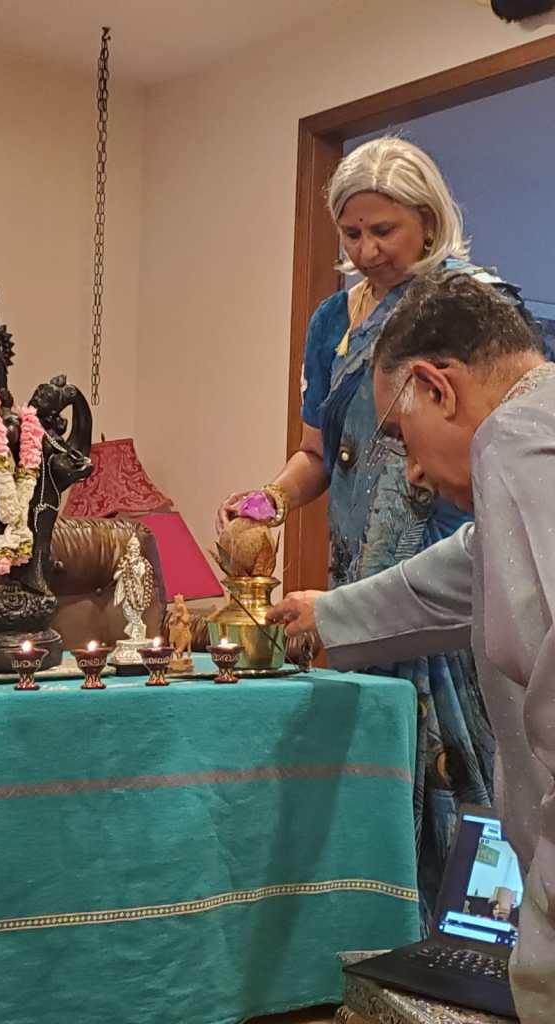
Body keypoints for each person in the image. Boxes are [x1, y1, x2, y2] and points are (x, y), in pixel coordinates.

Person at [217, 136, 524, 923]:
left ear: (429, 221)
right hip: (358, 572)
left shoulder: (463, 310)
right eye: (351, 233)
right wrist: (267, 503)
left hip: (441, 570)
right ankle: (370, 928)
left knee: (461, 778)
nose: (366, 250)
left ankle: (455, 941)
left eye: (383, 230)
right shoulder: (333, 320)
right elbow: (318, 453)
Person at [267, 272, 555, 1022]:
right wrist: (328, 616)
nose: (415, 472)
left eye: (399, 436)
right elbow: (464, 571)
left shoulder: (518, 440)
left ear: (436, 386)